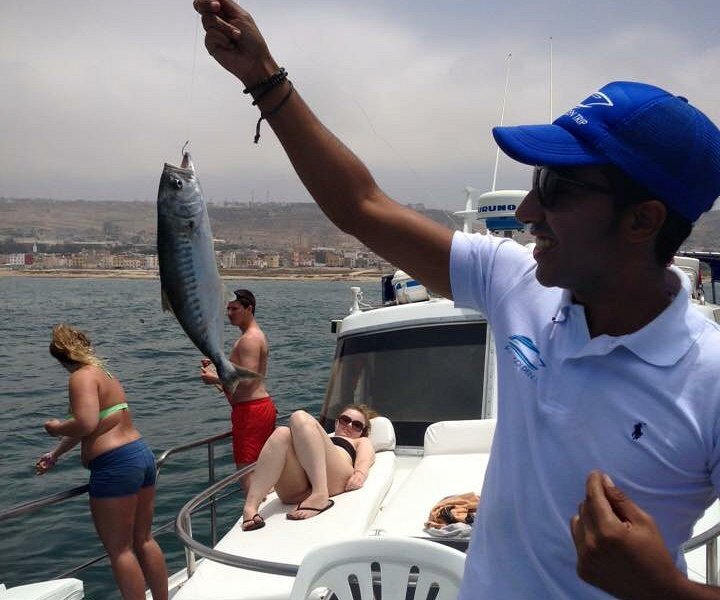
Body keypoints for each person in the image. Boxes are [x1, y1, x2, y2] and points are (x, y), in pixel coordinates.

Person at [193, 1, 720, 596]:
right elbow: (361, 206)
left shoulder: (710, 378)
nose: (527, 212)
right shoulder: (516, 281)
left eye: (556, 187)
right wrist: (264, 77)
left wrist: (663, 588)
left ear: (642, 220)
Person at [36, 324, 168, 600]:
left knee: (120, 550)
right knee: (144, 539)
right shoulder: (105, 375)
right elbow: (97, 423)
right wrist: (56, 453)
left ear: (62, 358)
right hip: (140, 455)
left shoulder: (80, 378)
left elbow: (85, 423)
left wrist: (56, 427)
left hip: (115, 465)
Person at [240, 404, 375, 531]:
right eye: (345, 420)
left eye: (357, 425)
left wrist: (360, 473)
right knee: (281, 432)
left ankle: (320, 494)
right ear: (336, 422)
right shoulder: (318, 438)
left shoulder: (360, 441)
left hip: (335, 480)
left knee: (299, 416)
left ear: (362, 432)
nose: (349, 425)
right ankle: (250, 508)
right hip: (300, 489)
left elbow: (366, 457)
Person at [199, 288, 277, 492]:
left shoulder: (248, 340)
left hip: (251, 412)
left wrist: (213, 378)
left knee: (247, 471)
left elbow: (247, 382)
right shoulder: (254, 336)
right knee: (262, 468)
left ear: (249, 308)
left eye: (234, 308)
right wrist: (218, 370)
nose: (230, 313)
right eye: (228, 309)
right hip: (256, 408)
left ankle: (252, 515)